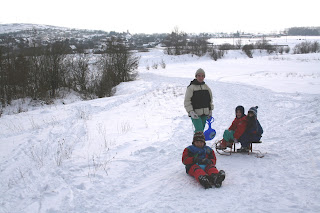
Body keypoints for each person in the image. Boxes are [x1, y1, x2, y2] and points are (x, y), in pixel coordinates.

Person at [184, 68, 214, 133]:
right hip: (195, 114)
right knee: (199, 130)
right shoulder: (191, 87)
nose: (201, 77)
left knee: (201, 131)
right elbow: (187, 101)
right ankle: (196, 143)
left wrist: (210, 110)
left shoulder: (206, 87)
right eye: (199, 76)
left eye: (202, 76)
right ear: (196, 76)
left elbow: (210, 99)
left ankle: (198, 143)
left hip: (205, 114)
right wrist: (191, 111)